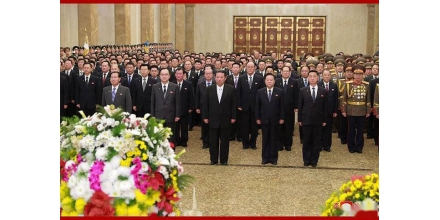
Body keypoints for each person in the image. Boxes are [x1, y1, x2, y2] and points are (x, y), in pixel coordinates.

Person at [203, 70, 236, 165]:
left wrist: (233, 116)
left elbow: (233, 104)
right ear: (215, 78)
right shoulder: (210, 89)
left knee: (225, 142)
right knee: (213, 141)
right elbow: (206, 104)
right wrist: (205, 116)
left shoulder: (231, 89)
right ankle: (213, 159)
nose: (219, 79)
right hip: (213, 119)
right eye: (217, 77)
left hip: (226, 119)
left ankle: (224, 160)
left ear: (225, 78)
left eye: (221, 77)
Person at [298, 70, 328, 167]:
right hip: (306, 120)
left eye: (314, 76)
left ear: (318, 78)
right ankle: (306, 160)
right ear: (308, 78)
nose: (312, 78)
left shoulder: (323, 91)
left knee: (316, 142)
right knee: (306, 141)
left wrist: (324, 120)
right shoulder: (303, 90)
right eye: (310, 76)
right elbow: (300, 106)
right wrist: (300, 120)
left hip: (318, 120)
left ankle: (314, 161)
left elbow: (325, 107)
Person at [341, 65, 371, 154]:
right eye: (356, 74)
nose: (358, 76)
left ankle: (359, 147)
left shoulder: (366, 85)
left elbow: (368, 99)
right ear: (353, 75)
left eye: (360, 74)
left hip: (362, 110)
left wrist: (368, 111)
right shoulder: (348, 85)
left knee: (360, 130)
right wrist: (344, 110)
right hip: (351, 110)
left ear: (363, 75)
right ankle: (351, 146)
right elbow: (344, 99)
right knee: (351, 130)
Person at [256, 74, 285, 165]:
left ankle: (273, 158)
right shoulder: (260, 92)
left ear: (274, 81)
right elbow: (257, 106)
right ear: (265, 81)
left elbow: (282, 106)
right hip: (264, 119)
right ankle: (265, 158)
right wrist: (257, 118)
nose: (269, 81)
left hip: (275, 119)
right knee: (265, 139)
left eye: (271, 80)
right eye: (267, 80)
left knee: (274, 139)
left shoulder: (279, 91)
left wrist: (282, 117)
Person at [237, 62, 264, 150]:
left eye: (251, 67)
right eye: (248, 67)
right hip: (244, 106)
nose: (250, 68)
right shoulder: (241, 78)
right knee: (244, 126)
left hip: (255, 107)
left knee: (254, 127)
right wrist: (239, 104)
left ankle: (253, 143)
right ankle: (245, 143)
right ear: (246, 68)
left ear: (255, 68)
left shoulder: (259, 78)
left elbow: (262, 93)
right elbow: (239, 93)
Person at [151, 68, 181, 144]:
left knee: (170, 137)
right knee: (159, 136)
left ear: (169, 76)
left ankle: (171, 154)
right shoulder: (155, 87)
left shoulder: (174, 87)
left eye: (166, 75)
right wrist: (152, 115)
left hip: (170, 115)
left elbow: (177, 102)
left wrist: (177, 115)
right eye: (162, 75)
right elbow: (153, 102)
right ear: (159, 76)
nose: (164, 76)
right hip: (158, 115)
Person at [275, 66, 298, 151]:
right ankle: (280, 144)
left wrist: (296, 106)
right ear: (281, 72)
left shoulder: (294, 82)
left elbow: (296, 95)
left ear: (290, 72)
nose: (285, 73)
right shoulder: (277, 81)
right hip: (279, 109)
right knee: (279, 127)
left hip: (290, 109)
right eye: (283, 71)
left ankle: (288, 145)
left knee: (289, 127)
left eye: (287, 71)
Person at [173, 68, 194, 148]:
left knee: (184, 126)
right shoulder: (172, 84)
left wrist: (190, 107)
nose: (178, 75)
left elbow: (191, 97)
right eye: (177, 74)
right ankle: (177, 140)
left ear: (183, 75)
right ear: (175, 75)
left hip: (185, 109)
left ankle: (184, 141)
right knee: (176, 127)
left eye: (180, 74)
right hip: (174, 109)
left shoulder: (188, 84)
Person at [318, 69, 338, 152]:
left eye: (328, 75)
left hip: (330, 111)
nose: (326, 76)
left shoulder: (334, 85)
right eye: (325, 75)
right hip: (320, 111)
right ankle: (320, 145)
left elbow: (336, 99)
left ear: (330, 76)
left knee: (328, 130)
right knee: (319, 130)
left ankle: (327, 146)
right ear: (322, 76)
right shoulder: (318, 85)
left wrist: (335, 111)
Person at [195, 67, 214, 149]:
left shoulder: (216, 83)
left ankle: (213, 142)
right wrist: (197, 107)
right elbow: (197, 97)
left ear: (213, 75)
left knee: (213, 126)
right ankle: (205, 143)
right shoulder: (200, 84)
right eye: (207, 74)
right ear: (204, 75)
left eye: (210, 74)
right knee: (204, 126)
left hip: (214, 109)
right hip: (203, 109)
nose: (208, 75)